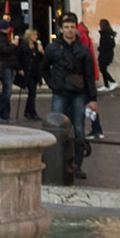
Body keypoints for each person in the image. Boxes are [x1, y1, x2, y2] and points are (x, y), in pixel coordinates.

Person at [44, 15, 98, 179]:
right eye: (66, 27)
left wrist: (93, 99)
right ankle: (57, 164)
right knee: (56, 129)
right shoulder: (52, 48)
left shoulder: (83, 50)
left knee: (79, 130)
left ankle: (77, 165)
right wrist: (52, 84)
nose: (69, 30)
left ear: (76, 29)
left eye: (72, 27)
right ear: (61, 29)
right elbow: (44, 67)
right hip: (60, 94)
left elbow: (89, 75)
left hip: (79, 95)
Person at [17, 27, 44, 121]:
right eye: (34, 35)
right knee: (32, 92)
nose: (36, 37)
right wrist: (19, 69)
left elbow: (41, 59)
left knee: (32, 93)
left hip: (35, 72)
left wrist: (41, 52)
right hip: (27, 72)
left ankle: (29, 112)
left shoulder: (37, 46)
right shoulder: (23, 47)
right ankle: (32, 113)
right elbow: (17, 59)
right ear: (29, 36)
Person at [96, 19, 118, 91]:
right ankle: (106, 85)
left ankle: (112, 81)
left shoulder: (107, 34)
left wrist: (101, 48)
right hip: (104, 53)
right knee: (102, 69)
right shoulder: (105, 33)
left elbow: (111, 45)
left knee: (103, 68)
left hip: (106, 54)